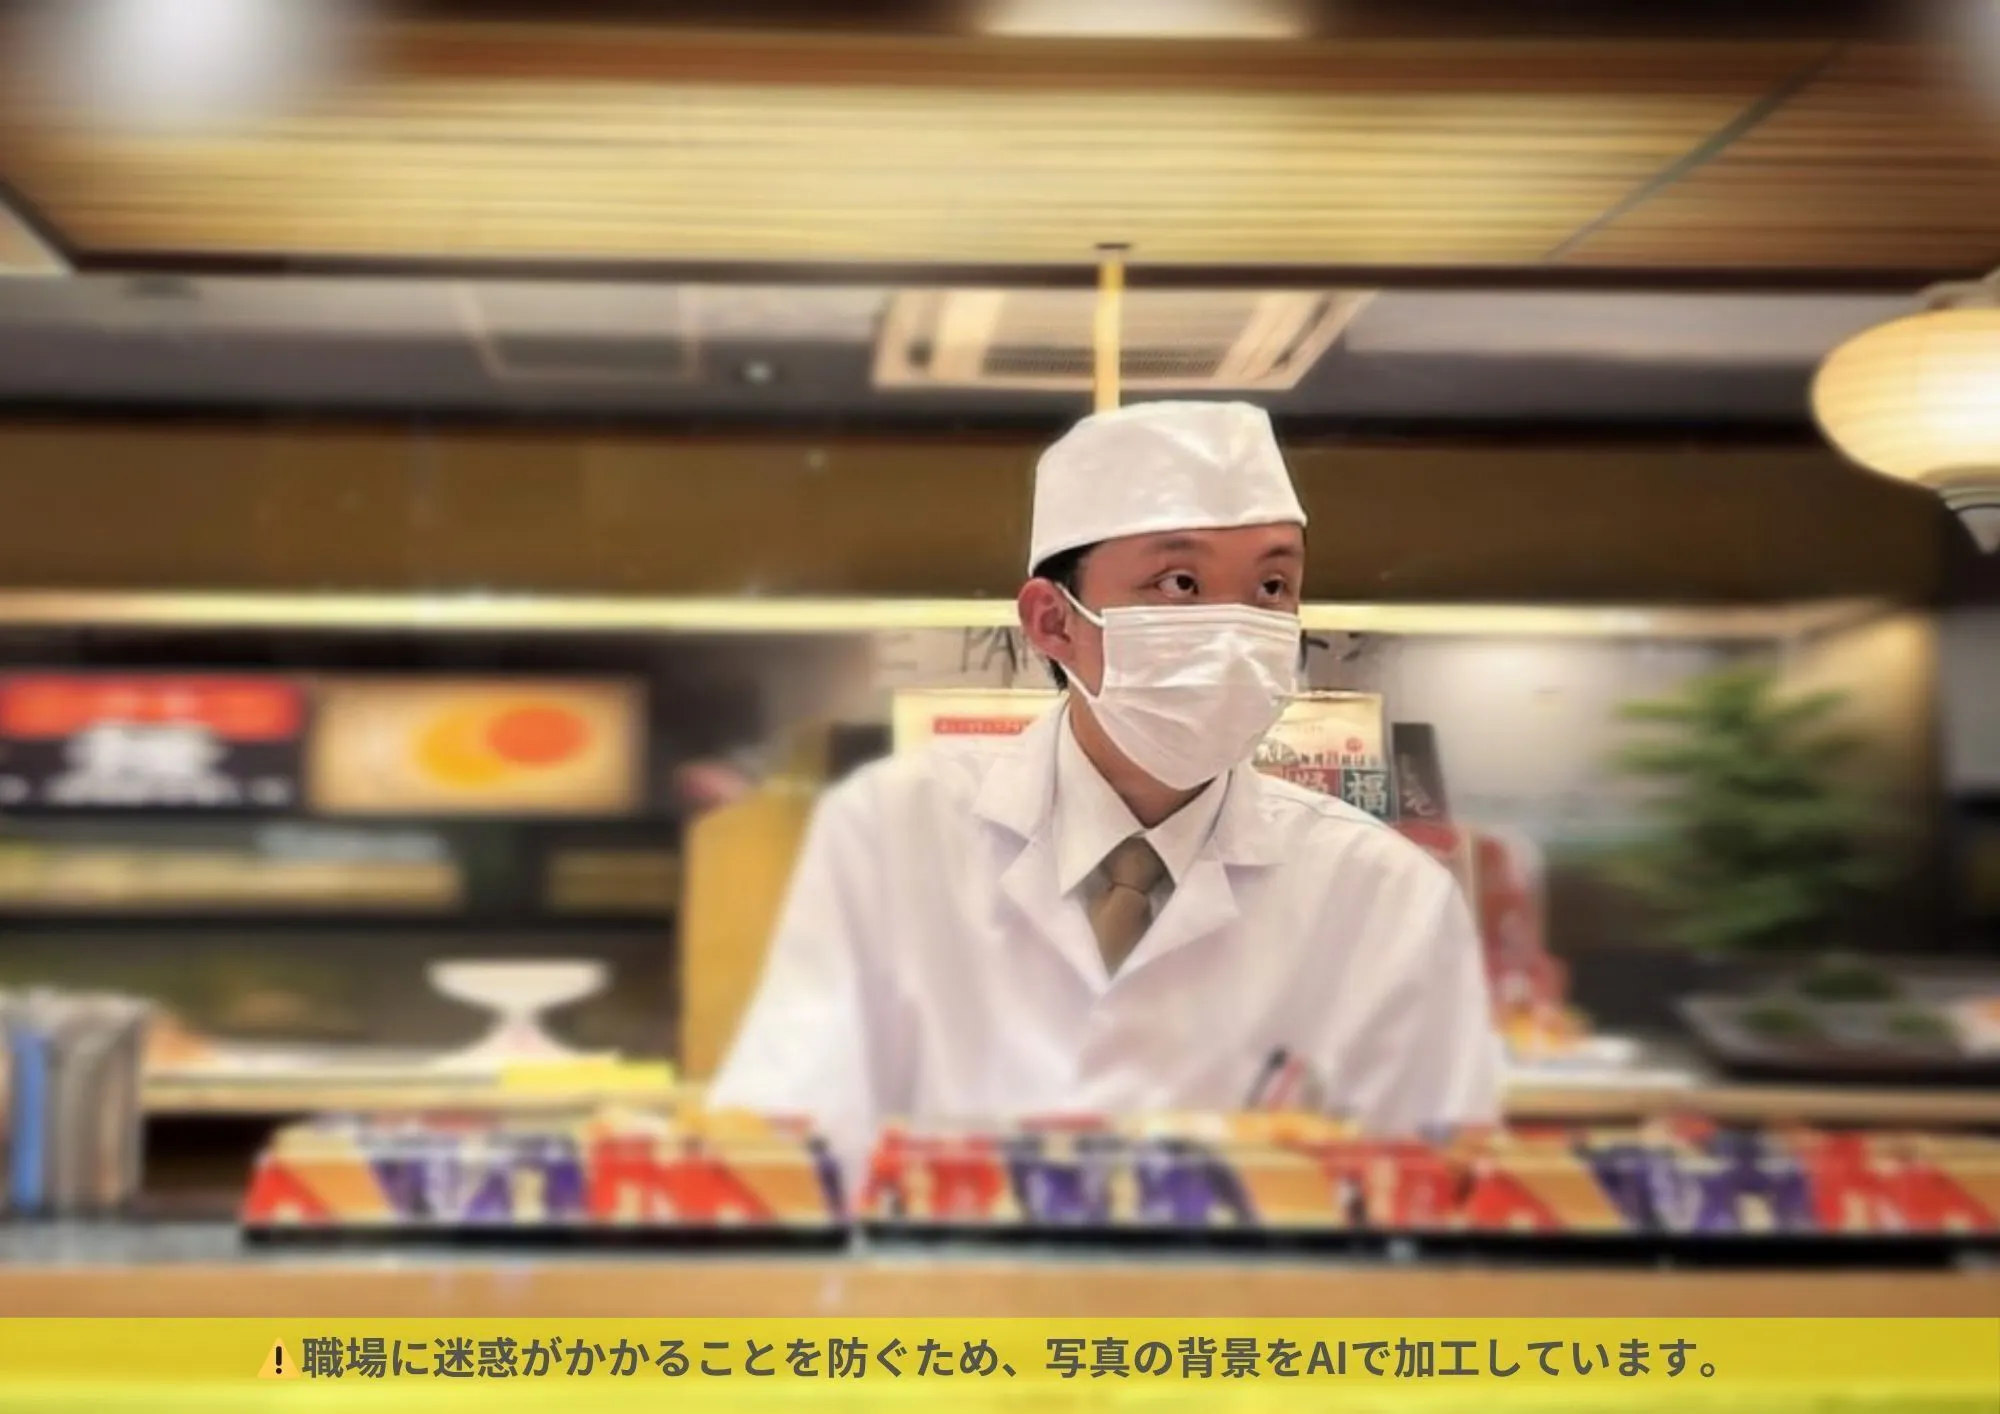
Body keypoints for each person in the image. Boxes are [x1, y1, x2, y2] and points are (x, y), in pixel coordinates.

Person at [709, 400, 1502, 1184]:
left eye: (1270, 586)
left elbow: (1444, 1202)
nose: (1235, 635)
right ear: (1053, 622)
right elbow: (787, 1155)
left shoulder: (1387, 898)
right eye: (1180, 582)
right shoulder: (892, 834)